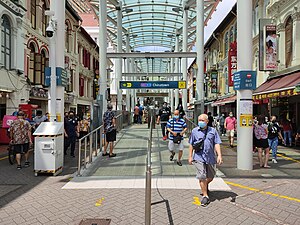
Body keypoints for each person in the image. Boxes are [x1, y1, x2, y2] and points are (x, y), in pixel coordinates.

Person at [188, 114, 222, 207]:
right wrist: (190, 156)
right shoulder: (195, 131)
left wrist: (219, 155)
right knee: (202, 176)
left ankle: (204, 186)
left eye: (203, 120)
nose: (201, 122)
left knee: (211, 176)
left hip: (210, 157)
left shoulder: (213, 131)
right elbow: (191, 144)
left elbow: (217, 143)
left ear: (207, 121)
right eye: (199, 120)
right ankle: (205, 196)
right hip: (198, 157)